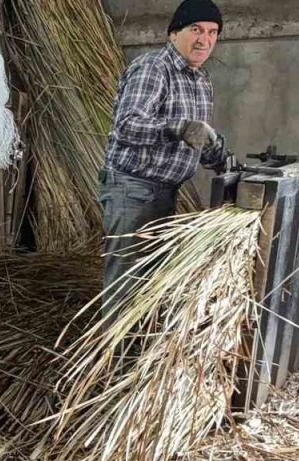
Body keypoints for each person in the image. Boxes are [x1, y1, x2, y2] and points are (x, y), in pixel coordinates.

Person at [99, 0, 228, 304]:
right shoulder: (153, 68)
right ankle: (120, 353)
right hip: (133, 189)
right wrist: (179, 128)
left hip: (165, 192)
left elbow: (195, 137)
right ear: (173, 33)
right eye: (195, 29)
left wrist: (218, 154)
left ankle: (142, 348)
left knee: (150, 282)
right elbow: (127, 127)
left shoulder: (201, 80)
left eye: (212, 32)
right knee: (126, 284)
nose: (204, 39)